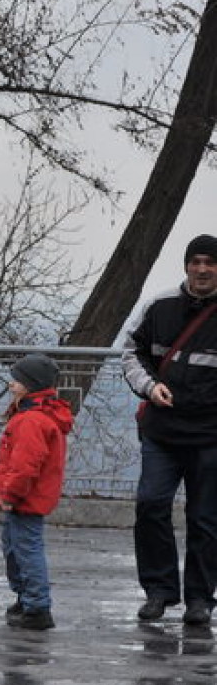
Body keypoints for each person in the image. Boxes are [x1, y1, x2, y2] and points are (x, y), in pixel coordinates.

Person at [123, 233, 217, 625]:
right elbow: (131, 351)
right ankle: (159, 591)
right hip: (162, 431)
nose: (202, 269)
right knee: (151, 506)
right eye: (195, 261)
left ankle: (200, 599)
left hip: (212, 434)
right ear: (185, 265)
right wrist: (149, 386)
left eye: (210, 262)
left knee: (206, 519)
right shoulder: (158, 306)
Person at [0, 352, 72, 631]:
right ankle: (26, 598)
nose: (12, 385)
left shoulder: (30, 420)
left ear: (31, 385)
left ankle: (37, 607)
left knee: (25, 550)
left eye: (17, 380)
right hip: (29, 498)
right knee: (15, 547)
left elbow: (25, 466)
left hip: (24, 499)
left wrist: (10, 495)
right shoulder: (37, 415)